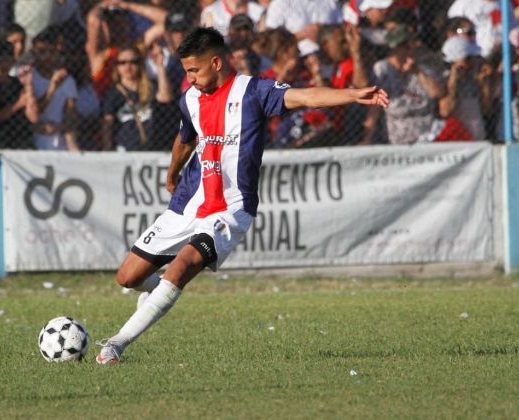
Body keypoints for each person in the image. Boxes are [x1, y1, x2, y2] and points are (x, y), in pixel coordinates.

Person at [95, 27, 389, 365]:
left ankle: (115, 344)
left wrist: (351, 95)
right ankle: (156, 292)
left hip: (230, 209)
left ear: (216, 63)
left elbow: (306, 96)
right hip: (188, 202)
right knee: (127, 277)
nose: (189, 78)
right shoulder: (190, 99)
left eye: (194, 70)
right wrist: (172, 171)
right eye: (186, 71)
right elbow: (186, 138)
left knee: (181, 268)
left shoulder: (254, 91)